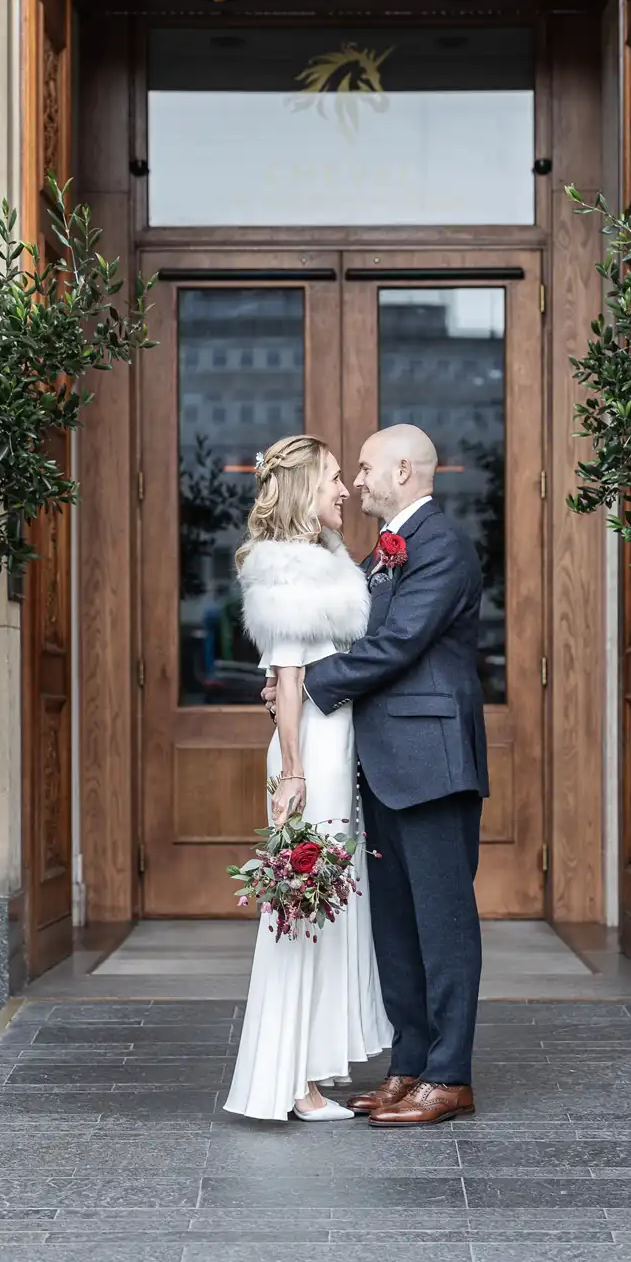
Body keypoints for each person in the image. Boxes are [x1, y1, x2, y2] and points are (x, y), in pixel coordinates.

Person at [289, 423, 489, 1128]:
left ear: (404, 470)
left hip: (432, 763)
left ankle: (449, 1076)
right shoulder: (384, 553)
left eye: (368, 466)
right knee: (396, 929)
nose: (359, 480)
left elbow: (399, 644)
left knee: (443, 925)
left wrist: (309, 683)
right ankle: (408, 1064)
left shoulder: (442, 546)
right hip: (386, 763)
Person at [223, 435, 391, 1122]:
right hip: (309, 758)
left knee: (321, 908)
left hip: (328, 748)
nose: (344, 490)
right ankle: (290, 1085)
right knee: (300, 909)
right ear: (301, 489)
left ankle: (308, 1075)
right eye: (330, 479)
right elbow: (288, 677)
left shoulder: (323, 558)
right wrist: (292, 772)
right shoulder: (286, 567)